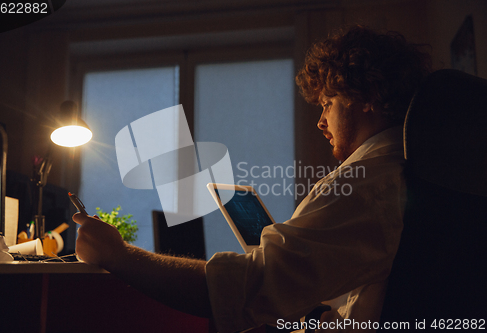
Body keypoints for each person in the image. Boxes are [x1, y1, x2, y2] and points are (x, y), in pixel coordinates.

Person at [73, 25, 431, 332]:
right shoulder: (408, 169)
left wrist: (118, 255)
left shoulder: (367, 182)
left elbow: (238, 291)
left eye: (327, 103)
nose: (320, 122)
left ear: (366, 97)